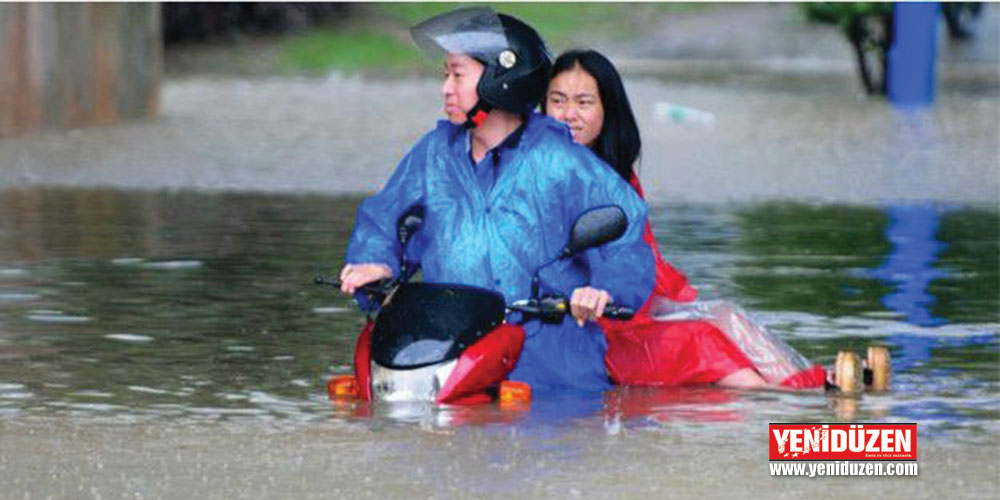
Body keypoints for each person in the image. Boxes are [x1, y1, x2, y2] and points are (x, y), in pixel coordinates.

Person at [339, 8, 655, 392]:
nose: (446, 88)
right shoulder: (433, 153)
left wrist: (603, 289)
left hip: (548, 368)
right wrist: (374, 263)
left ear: (501, 79)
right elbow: (383, 218)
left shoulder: (562, 161)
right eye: (445, 75)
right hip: (447, 354)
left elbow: (628, 238)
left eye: (457, 74)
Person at [543, 50, 827, 389]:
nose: (568, 115)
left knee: (726, 316)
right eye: (558, 101)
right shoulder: (540, 170)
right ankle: (789, 403)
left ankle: (808, 389)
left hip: (622, 303)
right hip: (582, 324)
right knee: (702, 341)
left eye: (584, 103)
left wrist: (614, 290)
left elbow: (633, 257)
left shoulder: (618, 176)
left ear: (608, 110)